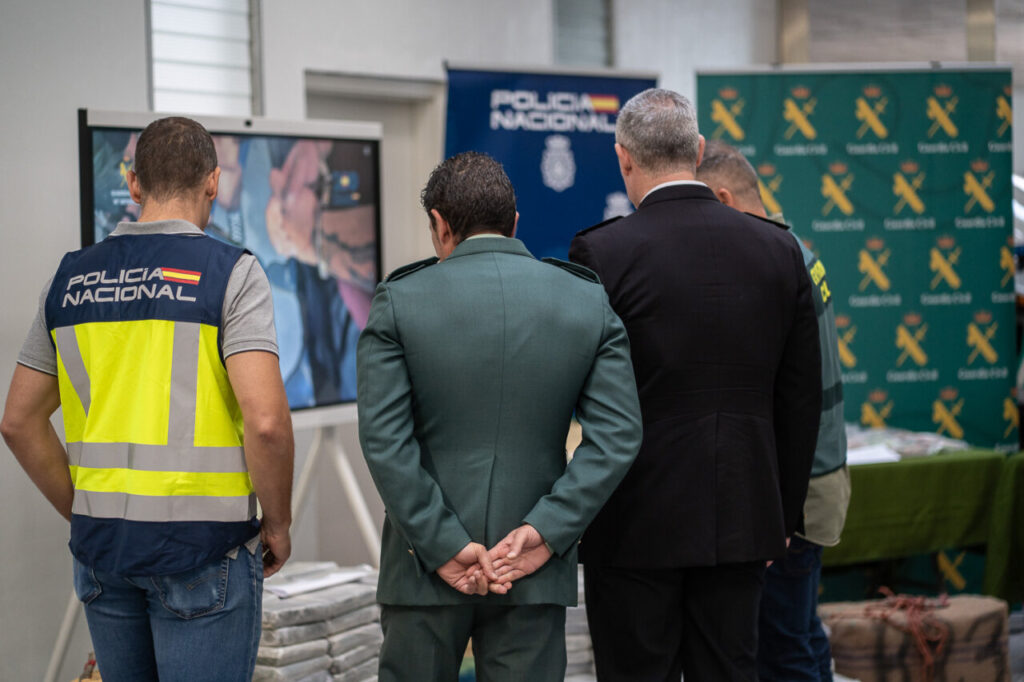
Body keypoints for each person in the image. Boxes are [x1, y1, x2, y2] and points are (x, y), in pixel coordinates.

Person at [1, 116, 294, 682]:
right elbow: (266, 423)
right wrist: (277, 524)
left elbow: (18, 422)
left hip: (103, 555)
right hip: (203, 554)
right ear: (213, 183)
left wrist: (84, 508)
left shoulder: (68, 279)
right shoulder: (232, 275)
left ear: (134, 184)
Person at [356, 151, 642, 682]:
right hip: (529, 567)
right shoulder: (585, 302)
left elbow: (385, 442)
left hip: (423, 569)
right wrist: (547, 530)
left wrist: (442, 545)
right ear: (514, 224)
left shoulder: (399, 301)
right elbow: (618, 437)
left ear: (439, 225)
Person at [569, 88, 822, 682]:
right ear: (699, 149)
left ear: (623, 158)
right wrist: (777, 517)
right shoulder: (781, 250)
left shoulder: (601, 252)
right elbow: (800, 398)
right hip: (743, 516)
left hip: (632, 522)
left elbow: (575, 390)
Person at [697, 139, 850, 682]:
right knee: (801, 634)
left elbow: (787, 398)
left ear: (724, 198)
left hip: (796, 492)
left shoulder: (775, 263)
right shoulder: (794, 251)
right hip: (813, 480)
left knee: (782, 648)